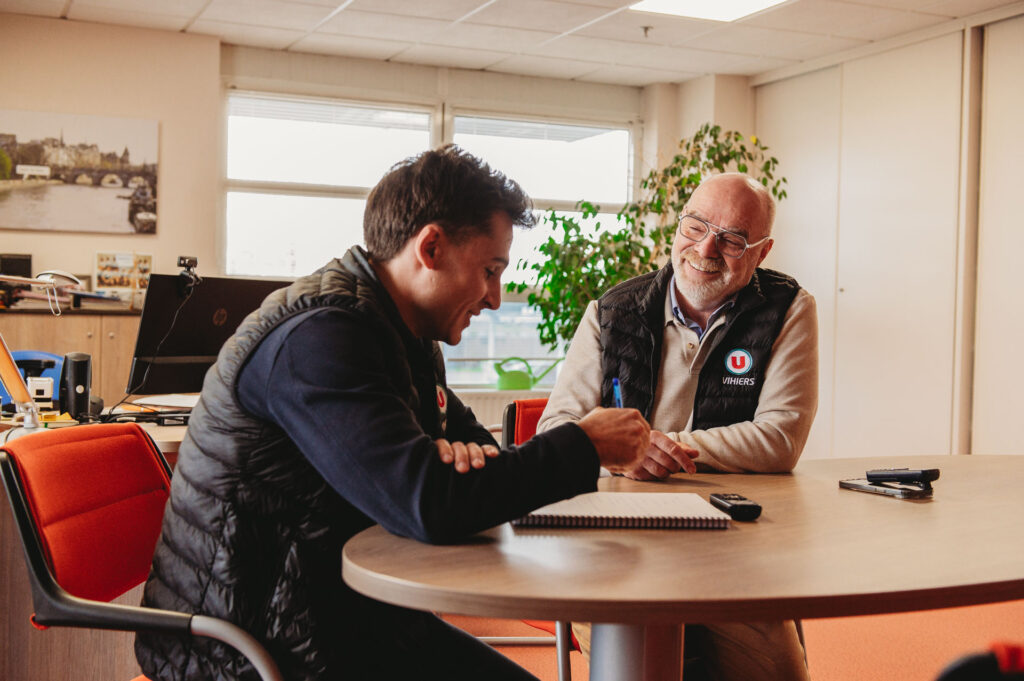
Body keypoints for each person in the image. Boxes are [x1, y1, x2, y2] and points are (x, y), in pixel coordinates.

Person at [134, 145, 650, 681]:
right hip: (248, 650)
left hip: (343, 619)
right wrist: (584, 444)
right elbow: (431, 503)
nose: (495, 298)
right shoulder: (322, 338)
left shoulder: (405, 332)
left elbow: (478, 457)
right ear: (431, 247)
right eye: (490, 270)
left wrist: (443, 476)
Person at [537, 172, 819, 680]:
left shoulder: (789, 309)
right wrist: (618, 452)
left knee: (776, 673)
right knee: (634, 667)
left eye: (732, 239)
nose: (706, 248)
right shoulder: (610, 311)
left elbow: (780, 437)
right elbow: (557, 426)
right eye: (696, 226)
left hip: (734, 542)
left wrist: (657, 447)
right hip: (615, 539)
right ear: (678, 224)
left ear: (762, 252)